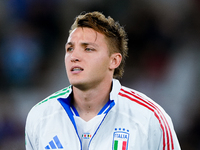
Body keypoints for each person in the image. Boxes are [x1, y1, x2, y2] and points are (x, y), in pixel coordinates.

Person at [25, 11, 181, 150]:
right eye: (70, 49)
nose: (74, 56)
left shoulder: (150, 119)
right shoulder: (39, 117)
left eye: (88, 48)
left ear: (114, 61)